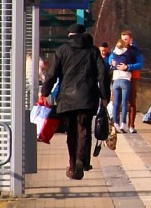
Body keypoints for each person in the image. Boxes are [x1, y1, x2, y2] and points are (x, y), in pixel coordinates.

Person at [41, 25, 109, 181]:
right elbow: (103, 74)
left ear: (70, 34)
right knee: (84, 129)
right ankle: (81, 160)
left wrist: (45, 92)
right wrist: (105, 96)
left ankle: (73, 165)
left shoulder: (62, 50)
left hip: (67, 98)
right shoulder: (93, 51)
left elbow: (52, 74)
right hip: (88, 97)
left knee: (71, 132)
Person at [108, 36, 136, 133]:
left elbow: (110, 63)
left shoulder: (114, 54)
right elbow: (135, 61)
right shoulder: (128, 53)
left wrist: (113, 64)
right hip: (125, 80)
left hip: (115, 80)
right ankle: (123, 124)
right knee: (124, 103)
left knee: (116, 103)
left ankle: (115, 123)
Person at [119, 28, 144, 133]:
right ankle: (118, 124)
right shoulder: (117, 49)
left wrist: (128, 67)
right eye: (123, 39)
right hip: (120, 77)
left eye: (126, 39)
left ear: (131, 40)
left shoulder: (136, 51)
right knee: (117, 101)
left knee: (131, 101)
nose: (125, 41)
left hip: (132, 77)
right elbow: (112, 58)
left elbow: (140, 64)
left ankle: (131, 125)